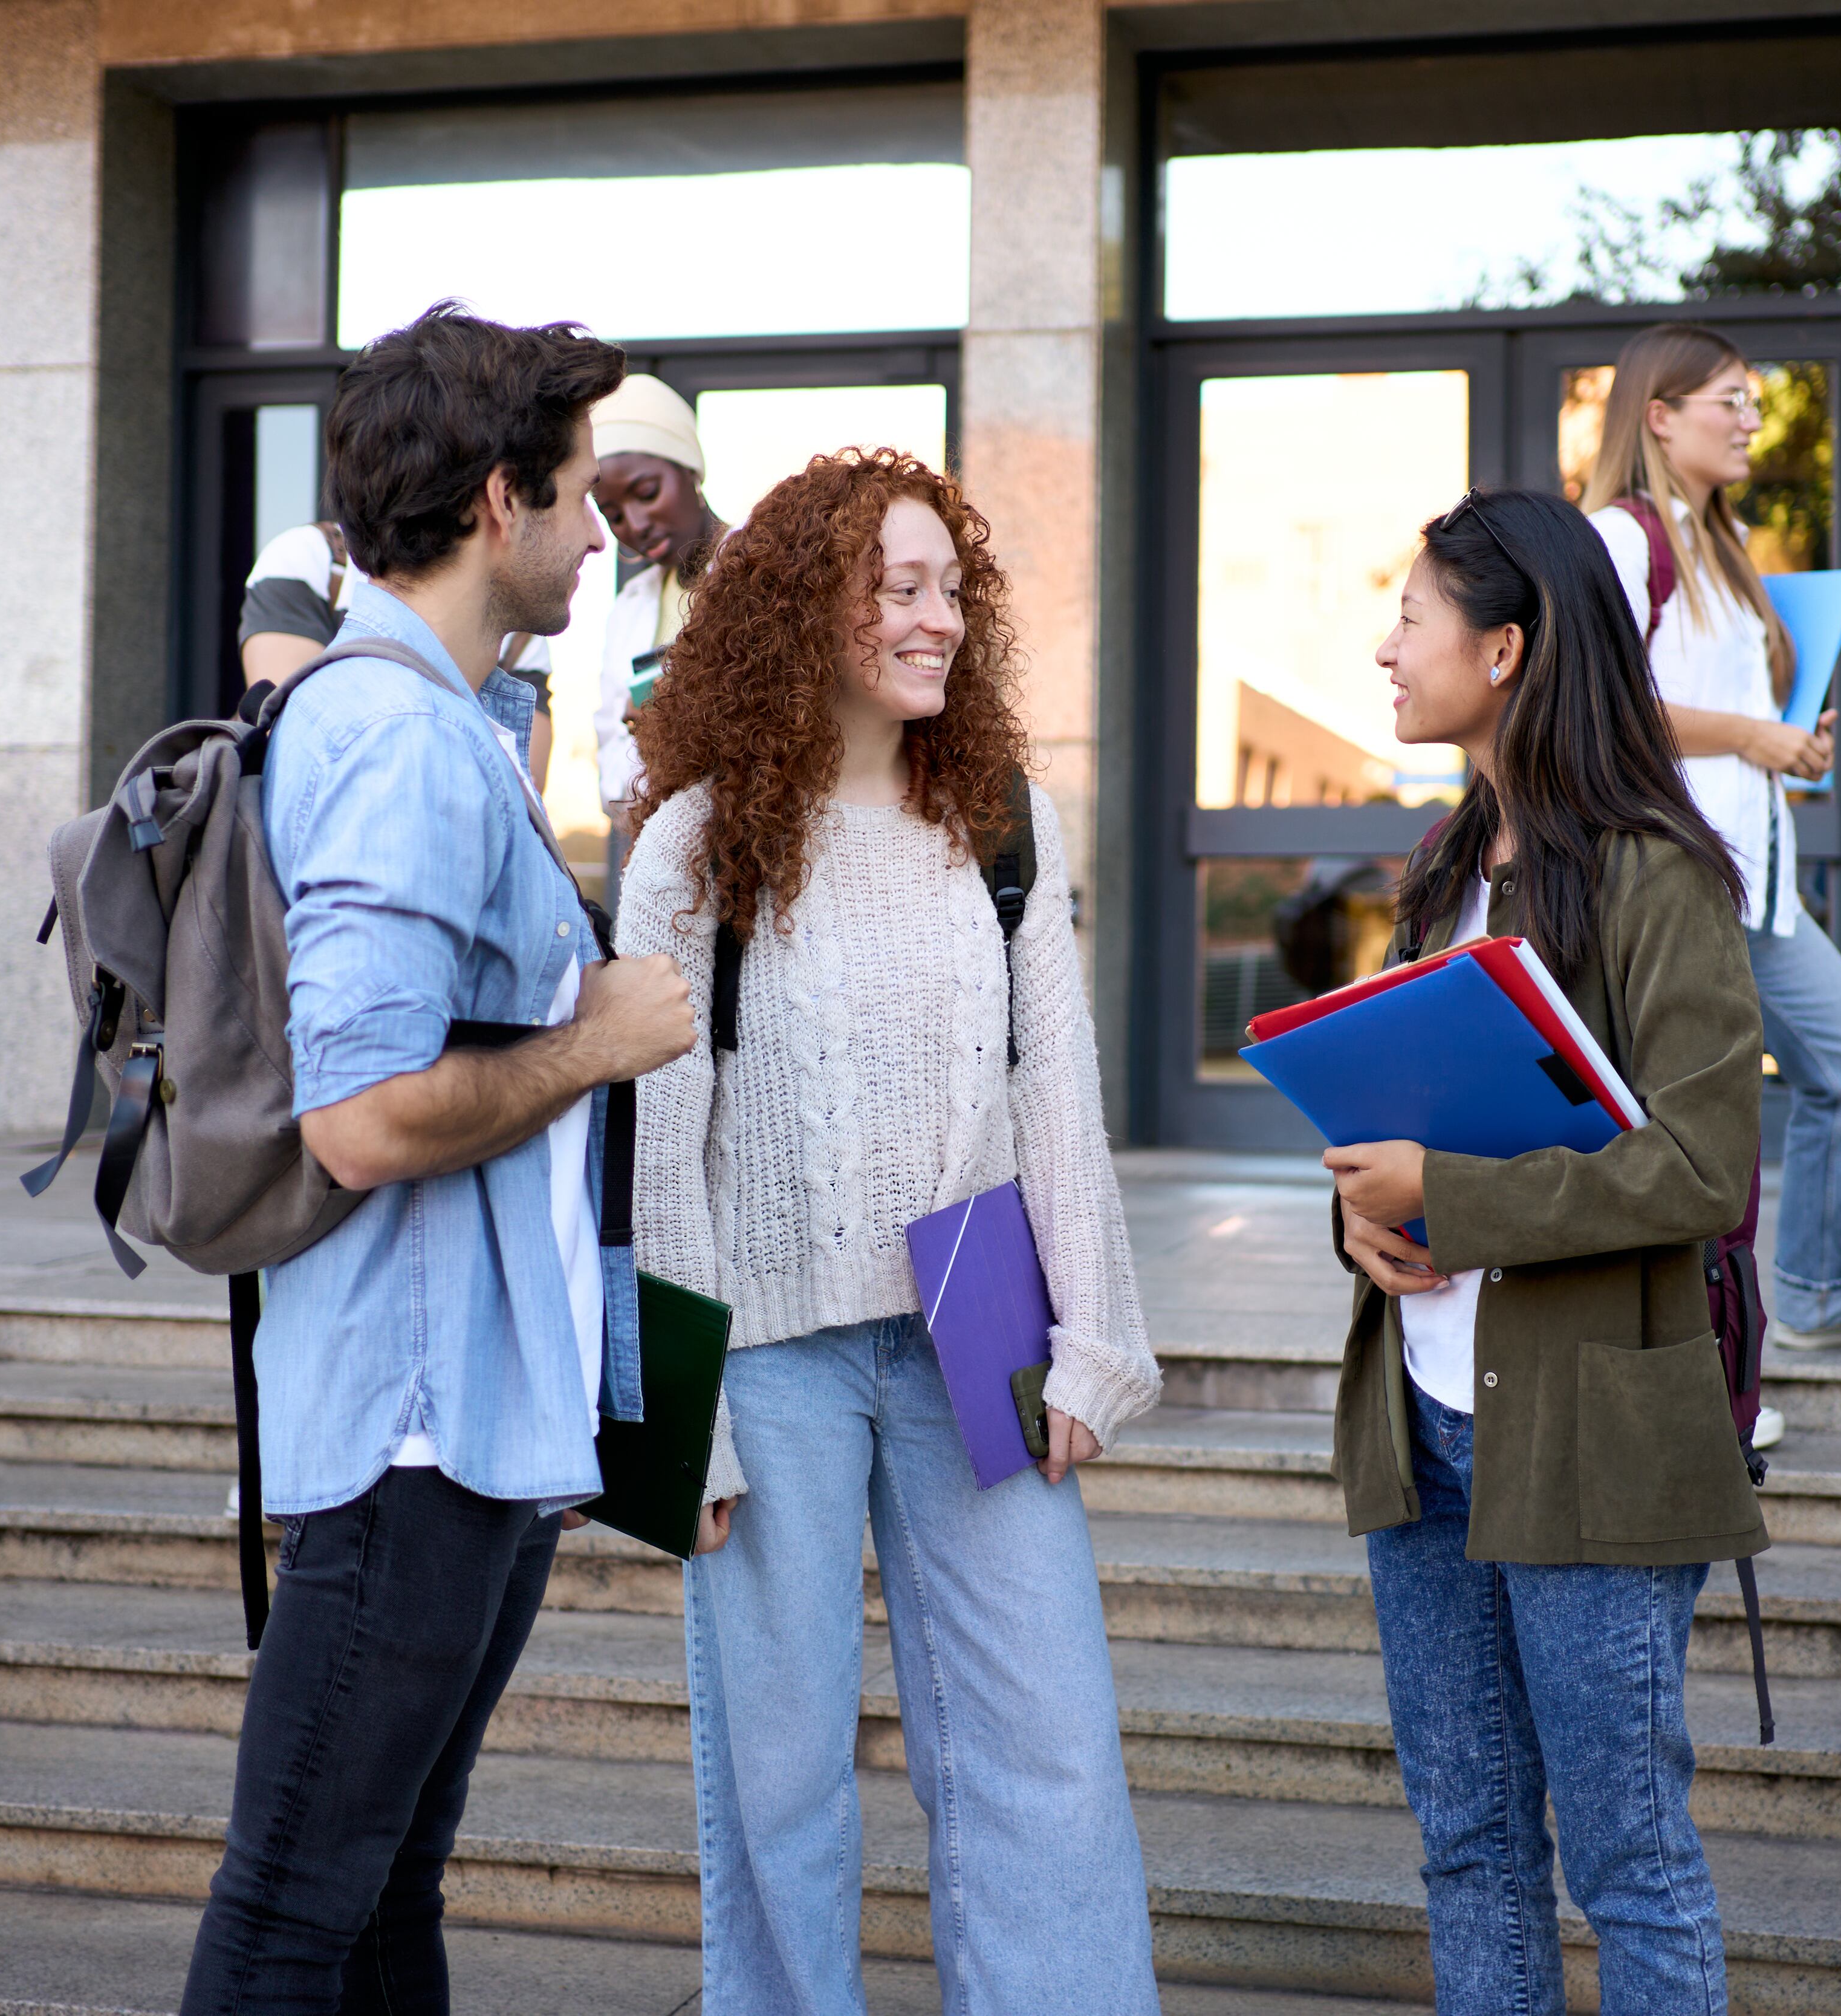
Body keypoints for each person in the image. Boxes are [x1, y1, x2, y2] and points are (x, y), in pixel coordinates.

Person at [181, 307, 702, 2011]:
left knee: (384, 1890)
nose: (603, 533)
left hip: (464, 1421)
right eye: (578, 498)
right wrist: (597, 1040)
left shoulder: (444, 723)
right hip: (413, 1431)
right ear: (501, 502)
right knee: (294, 1913)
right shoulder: (401, 737)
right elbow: (364, 1112)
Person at [619, 448, 1161, 2015]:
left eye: (951, 590)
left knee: (1044, 1739)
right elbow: (655, 1143)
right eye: (898, 589)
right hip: (764, 1352)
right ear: (806, 613)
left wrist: (1096, 1337)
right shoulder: (695, 844)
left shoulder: (1001, 825)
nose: (937, 620)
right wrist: (678, 1423)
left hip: (977, 1319)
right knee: (779, 1773)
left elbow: (1057, 1086)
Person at [1325, 488, 1765, 2015]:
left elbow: (1707, 1166)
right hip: (1425, 1428)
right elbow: (1411, 1130)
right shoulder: (1445, 868)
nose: (1385, 647)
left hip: (1590, 1438)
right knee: (1468, 1846)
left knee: (1629, 1862)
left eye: (1412, 618)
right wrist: (1365, 1219)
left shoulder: (1656, 873)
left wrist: (1456, 1194)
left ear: (1503, 649)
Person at [1588, 324, 1841, 1377]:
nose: (1750, 422)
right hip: (1678, 879)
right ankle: (1703, 1377)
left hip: (1754, 877)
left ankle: (1824, 1288)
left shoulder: (1718, 543)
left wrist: (1788, 741)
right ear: (1660, 414)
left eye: (1754, 403)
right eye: (1730, 400)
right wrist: (1751, 735)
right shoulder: (1623, 538)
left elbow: (1730, 709)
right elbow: (1598, 703)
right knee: (1692, 1137)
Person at [241, 514, 559, 789]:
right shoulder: (313, 557)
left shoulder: (517, 624)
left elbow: (522, 792)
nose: (595, 537)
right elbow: (297, 739)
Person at [587, 374, 728, 869]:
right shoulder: (631, 608)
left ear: (690, 470)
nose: (636, 524)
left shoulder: (765, 573)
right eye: (613, 513)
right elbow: (613, 771)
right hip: (668, 862)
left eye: (646, 492)